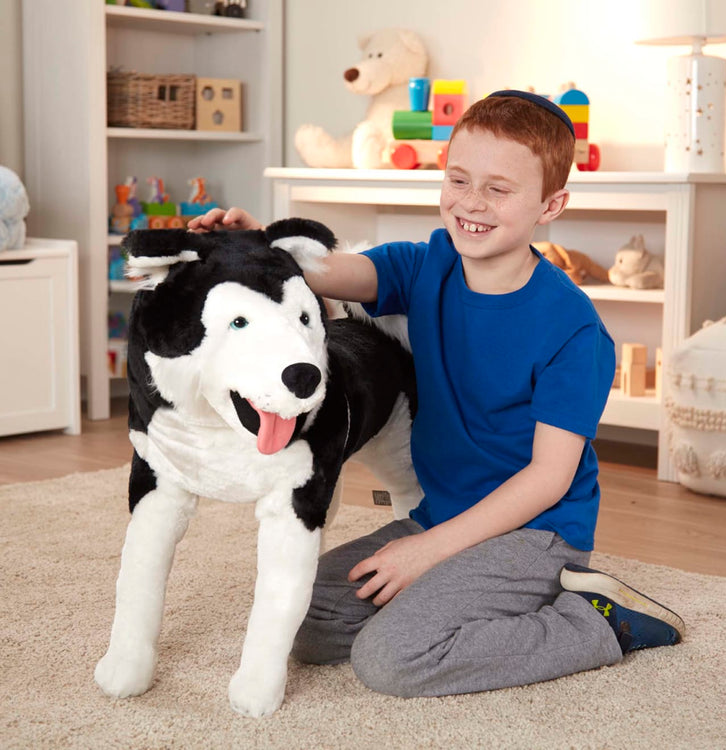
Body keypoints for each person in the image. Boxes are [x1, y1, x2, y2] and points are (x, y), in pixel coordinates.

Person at [187, 90, 685, 698]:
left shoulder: (575, 330)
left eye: (499, 190)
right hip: (441, 515)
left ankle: (596, 621)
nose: (471, 203)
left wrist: (424, 553)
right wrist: (254, 244)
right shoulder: (428, 265)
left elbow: (548, 480)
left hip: (537, 534)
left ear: (551, 204)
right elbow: (325, 270)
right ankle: (458, 597)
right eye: (459, 179)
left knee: (391, 659)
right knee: (298, 617)